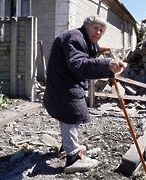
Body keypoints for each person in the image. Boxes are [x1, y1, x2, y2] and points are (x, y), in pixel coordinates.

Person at [43, 15, 124, 174]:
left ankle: (68, 145)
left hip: (67, 83)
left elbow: (88, 58)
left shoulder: (86, 40)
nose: (98, 32)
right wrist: (107, 65)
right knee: (70, 116)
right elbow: (79, 63)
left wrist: (107, 65)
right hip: (63, 84)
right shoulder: (74, 38)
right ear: (87, 26)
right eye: (96, 28)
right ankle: (72, 157)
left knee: (69, 116)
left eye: (101, 30)